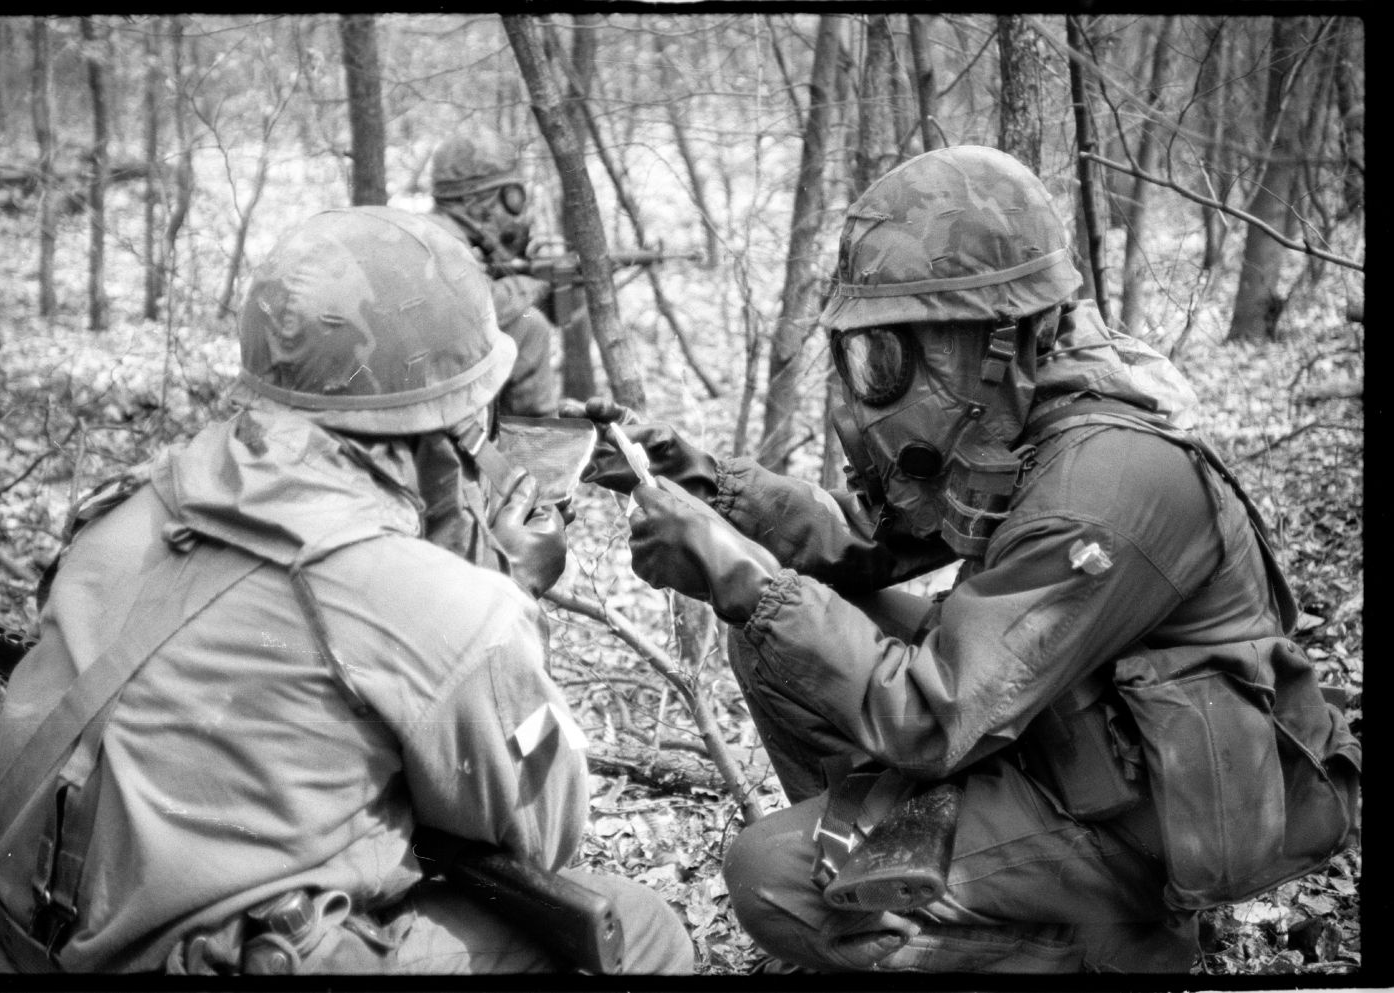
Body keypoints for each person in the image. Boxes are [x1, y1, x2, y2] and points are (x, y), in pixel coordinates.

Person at [571, 145, 1360, 973]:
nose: (876, 382)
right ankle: (900, 865)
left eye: (898, 351)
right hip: (1067, 735)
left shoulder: (1104, 483)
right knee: (772, 643)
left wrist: (739, 575)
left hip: (1155, 812)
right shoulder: (1018, 406)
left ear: (993, 335)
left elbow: (933, 714)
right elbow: (873, 535)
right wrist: (701, 483)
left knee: (772, 875)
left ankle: (1114, 949)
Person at [0, 207, 694, 975]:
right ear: (455, 423)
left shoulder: (131, 507)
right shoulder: (452, 609)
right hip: (190, 961)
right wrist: (505, 598)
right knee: (640, 931)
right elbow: (545, 832)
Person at [427, 127, 560, 418]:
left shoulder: (427, 231)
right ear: (474, 202)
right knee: (530, 327)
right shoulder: (444, 241)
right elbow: (480, 305)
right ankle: (542, 445)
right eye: (510, 199)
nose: (513, 216)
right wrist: (533, 285)